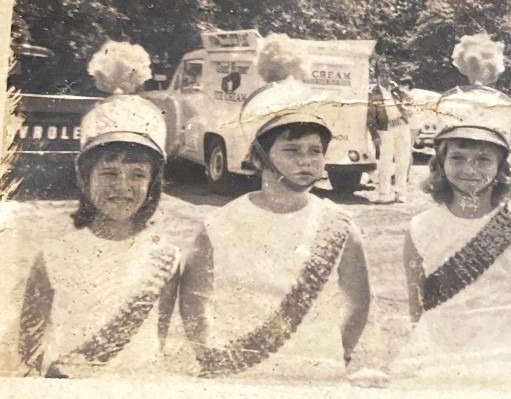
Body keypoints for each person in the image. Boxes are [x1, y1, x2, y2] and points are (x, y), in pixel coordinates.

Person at [17, 94, 212, 378]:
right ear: (85, 179)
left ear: (152, 184)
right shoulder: (55, 254)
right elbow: (29, 346)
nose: (123, 186)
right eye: (109, 173)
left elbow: (156, 339)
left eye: (137, 174)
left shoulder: (166, 257)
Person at [197, 74, 370, 380]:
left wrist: (334, 354)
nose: (306, 160)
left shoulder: (340, 225)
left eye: (315, 150)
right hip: (242, 374)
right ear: (259, 159)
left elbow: (357, 303)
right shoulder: (221, 223)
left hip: (315, 372)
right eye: (291, 150)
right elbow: (195, 300)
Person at [390, 86, 511, 390]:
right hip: (437, 356)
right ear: (440, 162)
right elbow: (417, 307)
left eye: (483, 159)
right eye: (458, 157)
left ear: (502, 169)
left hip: (501, 360)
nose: (469, 169)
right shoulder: (420, 228)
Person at [367, 55, 412, 203]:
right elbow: (370, 116)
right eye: (382, 75)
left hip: (402, 126)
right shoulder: (373, 94)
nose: (385, 78)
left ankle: (400, 192)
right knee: (385, 161)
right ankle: (384, 193)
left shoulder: (395, 91)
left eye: (387, 75)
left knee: (403, 160)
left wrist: (397, 88)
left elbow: (409, 100)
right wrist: (374, 134)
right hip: (386, 129)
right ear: (377, 78)